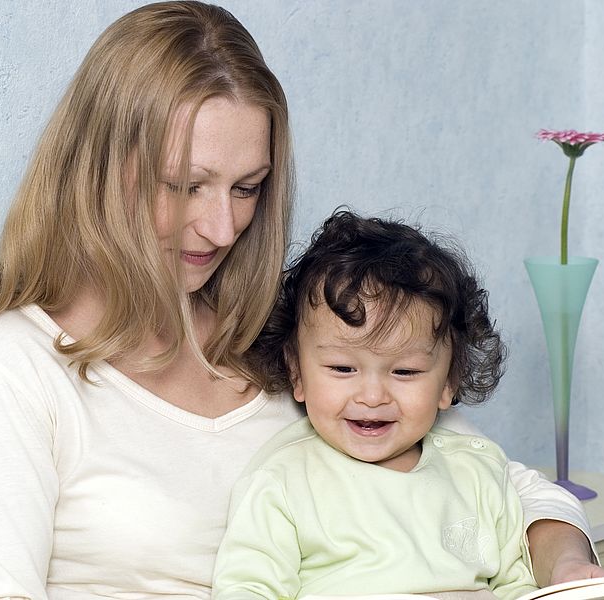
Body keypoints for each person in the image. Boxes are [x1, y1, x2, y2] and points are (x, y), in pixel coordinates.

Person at [0, 2, 604, 599]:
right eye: (186, 186)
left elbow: (498, 486)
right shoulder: (11, 367)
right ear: (98, 169)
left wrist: (567, 566)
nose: (223, 228)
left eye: (246, 189)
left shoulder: (288, 335)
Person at [212, 211, 537, 599]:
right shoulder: (283, 482)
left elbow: (519, 584)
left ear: (448, 382)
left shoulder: (477, 472)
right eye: (343, 368)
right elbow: (248, 589)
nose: (372, 397)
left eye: (404, 372)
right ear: (297, 373)